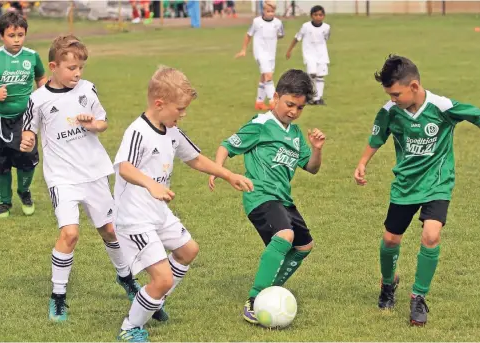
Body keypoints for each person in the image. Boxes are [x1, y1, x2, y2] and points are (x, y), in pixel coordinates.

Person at [353, 55, 480, 326]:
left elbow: (479, 117)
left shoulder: (441, 106)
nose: (393, 99)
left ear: (414, 86)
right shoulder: (390, 111)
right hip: (405, 185)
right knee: (391, 240)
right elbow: (377, 137)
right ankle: (388, 284)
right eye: (390, 94)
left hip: (438, 183)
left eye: (396, 93)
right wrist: (362, 163)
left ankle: (418, 297)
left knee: (431, 235)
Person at [113, 66, 253, 341]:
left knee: (188, 250)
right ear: (159, 103)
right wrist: (151, 184)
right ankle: (130, 328)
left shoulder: (172, 131)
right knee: (162, 279)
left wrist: (228, 175)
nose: (183, 114)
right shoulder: (138, 131)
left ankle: (154, 302)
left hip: (157, 211)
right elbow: (124, 167)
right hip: (134, 217)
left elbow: (195, 158)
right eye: (180, 109)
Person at [20, 34, 140, 323]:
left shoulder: (87, 89)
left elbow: (103, 122)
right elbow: (29, 130)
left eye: (80, 68)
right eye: (71, 68)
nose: (77, 74)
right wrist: (27, 141)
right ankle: (58, 296)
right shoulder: (38, 99)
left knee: (110, 231)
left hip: (94, 173)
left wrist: (92, 124)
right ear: (53, 66)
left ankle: (126, 279)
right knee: (70, 234)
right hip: (62, 178)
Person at [208, 69, 325, 324]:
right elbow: (226, 145)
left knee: (304, 246)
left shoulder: (295, 134)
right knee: (285, 235)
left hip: (283, 199)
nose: (293, 111)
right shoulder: (260, 126)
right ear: (276, 97)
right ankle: (255, 298)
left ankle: (270, 289)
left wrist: (316, 150)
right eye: (289, 104)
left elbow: (312, 167)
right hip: (259, 195)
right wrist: (219, 171)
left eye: (300, 107)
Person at [0, 11, 46, 217]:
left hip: (25, 119)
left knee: (28, 159)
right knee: (1, 162)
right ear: (2, 36)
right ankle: (4, 202)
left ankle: (24, 192)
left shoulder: (32, 56)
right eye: (11, 35)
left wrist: (43, 99)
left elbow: (41, 78)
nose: (17, 40)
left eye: (20, 35)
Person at [236, 1, 284, 110]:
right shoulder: (256, 22)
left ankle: (259, 102)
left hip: (271, 53)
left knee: (264, 77)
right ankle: (273, 102)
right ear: (263, 10)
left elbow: (281, 35)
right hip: (260, 53)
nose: (270, 13)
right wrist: (243, 49)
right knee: (268, 76)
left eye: (272, 11)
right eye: (268, 11)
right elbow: (248, 35)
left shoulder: (278, 23)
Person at [286, 5, 330, 105]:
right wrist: (289, 50)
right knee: (312, 74)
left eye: (320, 15)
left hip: (322, 55)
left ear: (323, 16)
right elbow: (297, 38)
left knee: (320, 76)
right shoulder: (306, 26)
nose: (318, 17)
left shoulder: (326, 27)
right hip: (309, 54)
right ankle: (311, 96)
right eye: (315, 15)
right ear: (311, 16)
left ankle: (318, 98)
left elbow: (325, 39)